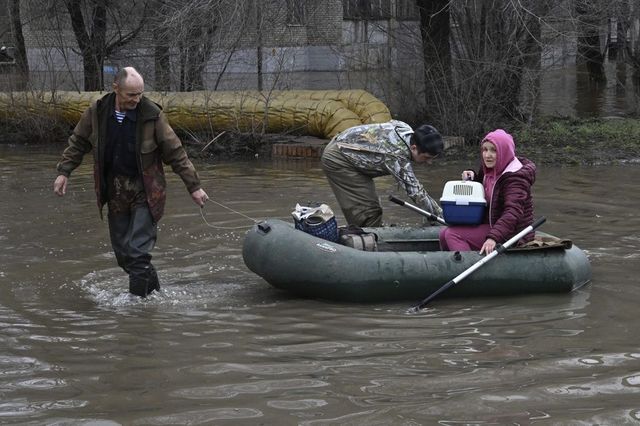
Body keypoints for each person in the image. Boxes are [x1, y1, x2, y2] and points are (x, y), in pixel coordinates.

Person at [53, 66, 209, 297]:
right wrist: (64, 171)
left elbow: (175, 152)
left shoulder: (152, 115)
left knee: (137, 253)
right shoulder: (97, 112)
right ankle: (155, 293)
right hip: (115, 191)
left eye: (140, 94)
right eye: (131, 95)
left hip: (146, 190)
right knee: (125, 256)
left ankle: (136, 310)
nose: (137, 99)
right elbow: (78, 142)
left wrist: (194, 187)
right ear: (116, 88)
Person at [321, 120, 444, 227]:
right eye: (427, 157)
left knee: (373, 206)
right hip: (340, 159)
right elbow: (416, 193)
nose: (429, 162)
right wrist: (441, 216)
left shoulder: (405, 129)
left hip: (348, 148)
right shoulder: (396, 156)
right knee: (368, 212)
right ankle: (367, 242)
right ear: (413, 148)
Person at [439, 129, 536, 254]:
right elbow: (484, 188)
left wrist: (493, 237)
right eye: (485, 149)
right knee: (443, 234)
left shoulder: (515, 178)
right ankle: (449, 267)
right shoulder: (488, 169)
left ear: (504, 152)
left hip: (513, 233)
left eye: (494, 150)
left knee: (453, 235)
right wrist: (473, 176)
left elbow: (513, 212)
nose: (487, 155)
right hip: (491, 224)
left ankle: (469, 269)